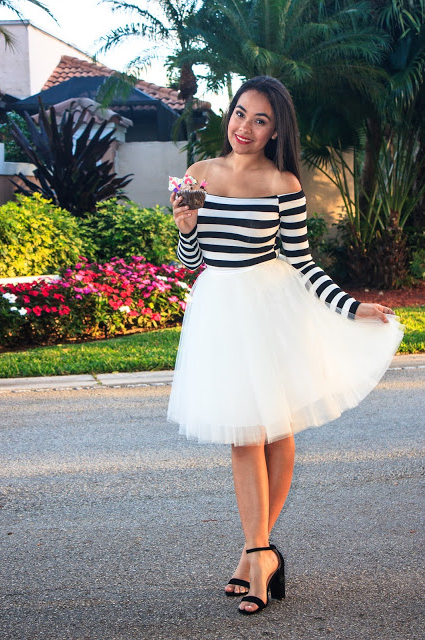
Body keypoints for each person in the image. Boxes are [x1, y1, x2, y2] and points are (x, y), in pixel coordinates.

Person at [167, 76, 405, 615]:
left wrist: (353, 307)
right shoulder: (199, 173)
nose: (245, 127)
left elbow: (302, 263)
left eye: (261, 120)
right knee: (244, 434)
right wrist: (186, 227)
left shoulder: (283, 183)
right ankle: (260, 553)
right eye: (240, 113)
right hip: (219, 310)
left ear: (275, 131)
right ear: (229, 113)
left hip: (270, 310)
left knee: (273, 432)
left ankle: (255, 554)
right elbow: (191, 261)